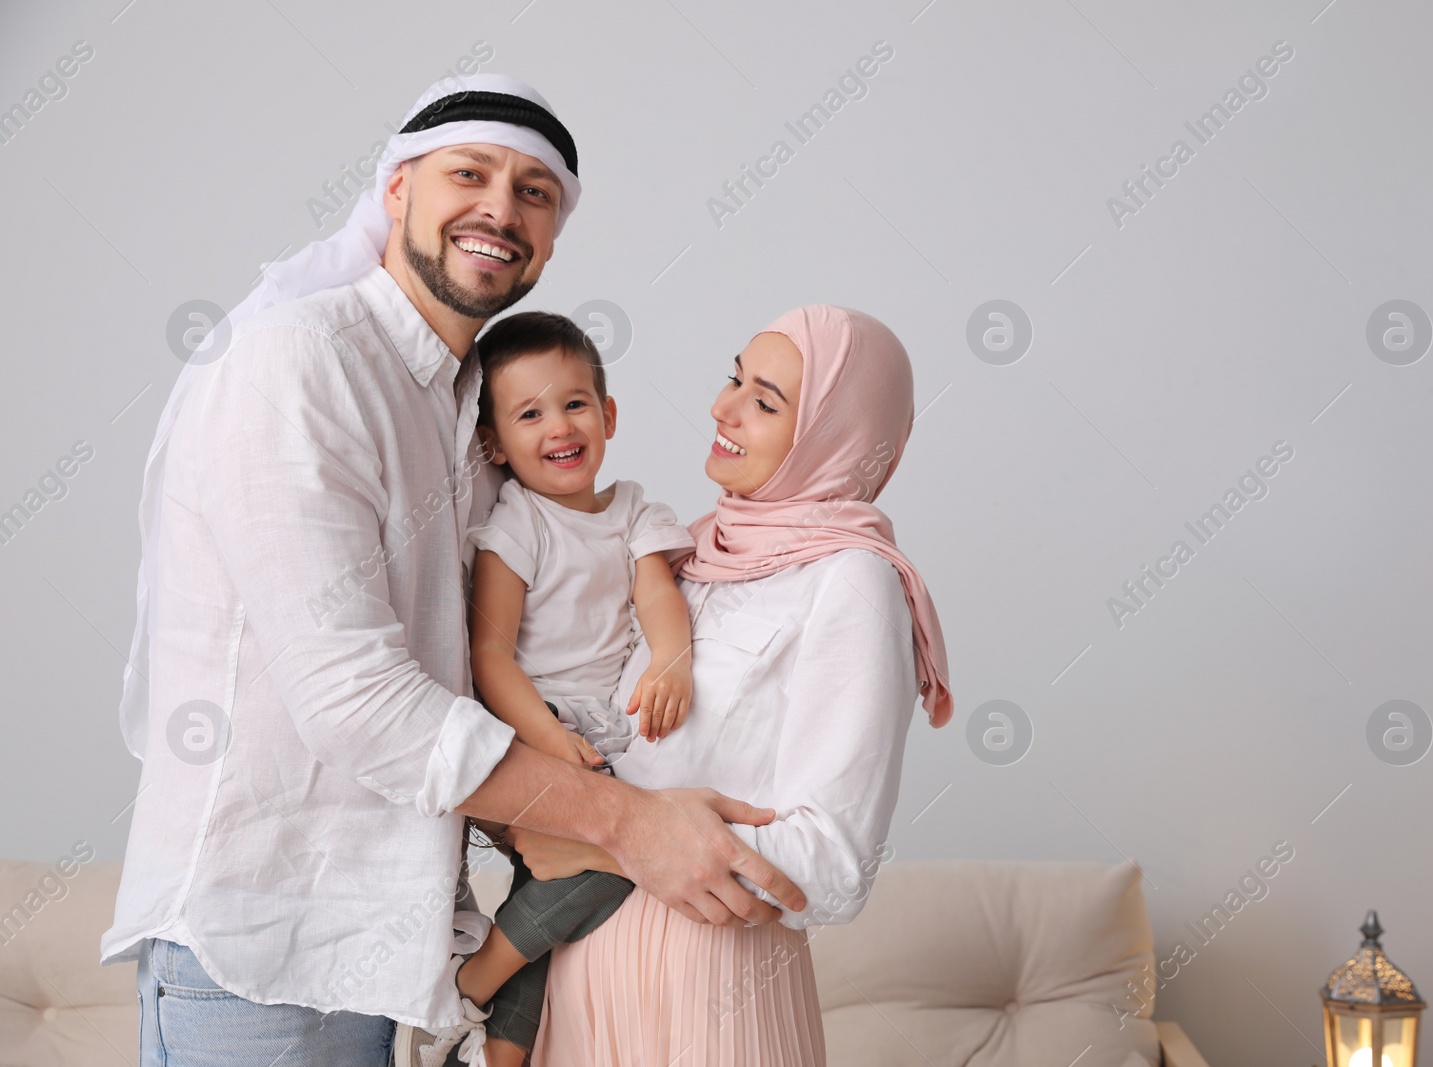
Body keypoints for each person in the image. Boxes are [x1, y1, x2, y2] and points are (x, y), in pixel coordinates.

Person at [102, 74, 804, 1067]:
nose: (499, 208)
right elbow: (353, 697)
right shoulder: (297, 365)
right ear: (395, 192)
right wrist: (628, 822)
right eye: (467, 174)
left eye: (534, 192)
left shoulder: (476, 411)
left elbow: (525, 632)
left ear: (552, 237)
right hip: (260, 956)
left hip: (392, 954)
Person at [519, 304, 956, 1066]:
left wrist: (606, 839)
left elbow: (834, 862)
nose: (723, 408)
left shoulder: (851, 581)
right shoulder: (689, 552)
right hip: (580, 969)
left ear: (835, 434)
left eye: (765, 401)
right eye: (734, 379)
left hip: (712, 990)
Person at [395, 311, 699, 1066]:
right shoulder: (518, 521)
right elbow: (490, 652)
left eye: (573, 403)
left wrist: (672, 660)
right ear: (494, 444)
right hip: (544, 725)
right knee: (622, 861)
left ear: (608, 415)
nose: (558, 425)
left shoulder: (632, 510)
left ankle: (490, 1043)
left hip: (609, 731)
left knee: (552, 898)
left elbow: (659, 597)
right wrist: (544, 736)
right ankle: (476, 976)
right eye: (529, 413)